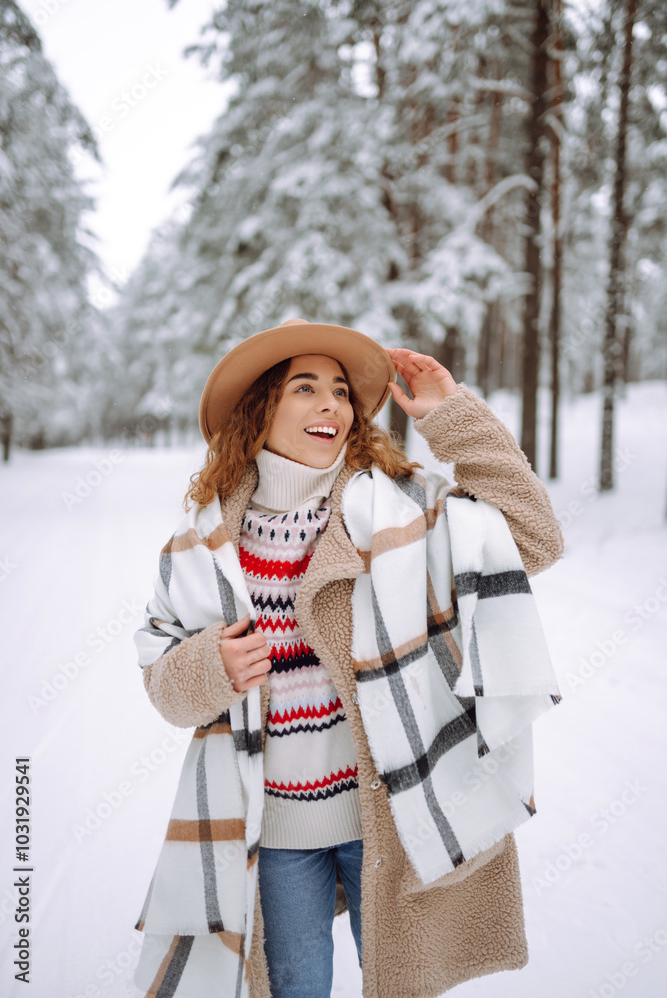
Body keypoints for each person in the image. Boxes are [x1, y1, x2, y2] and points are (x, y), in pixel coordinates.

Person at [132, 317, 564, 998]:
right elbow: (161, 679)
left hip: (395, 816)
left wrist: (452, 417)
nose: (329, 403)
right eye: (303, 388)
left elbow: (533, 538)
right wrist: (207, 667)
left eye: (339, 390)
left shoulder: (403, 509)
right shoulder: (199, 545)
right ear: (261, 409)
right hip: (272, 832)